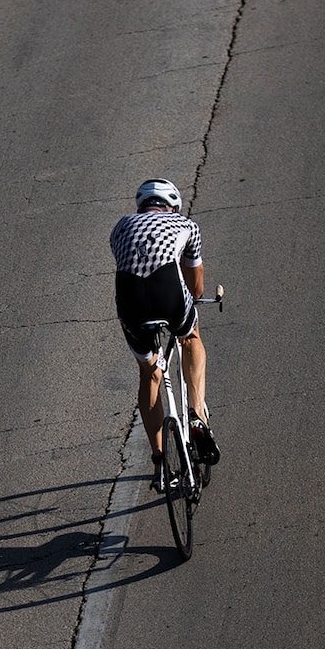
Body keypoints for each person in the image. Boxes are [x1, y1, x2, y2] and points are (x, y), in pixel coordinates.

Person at [109, 177, 220, 491]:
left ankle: (160, 462)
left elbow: (131, 260)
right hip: (167, 293)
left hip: (130, 300)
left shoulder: (120, 226)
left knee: (150, 373)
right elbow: (196, 288)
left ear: (141, 205)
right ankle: (197, 413)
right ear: (173, 206)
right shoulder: (187, 225)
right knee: (191, 336)